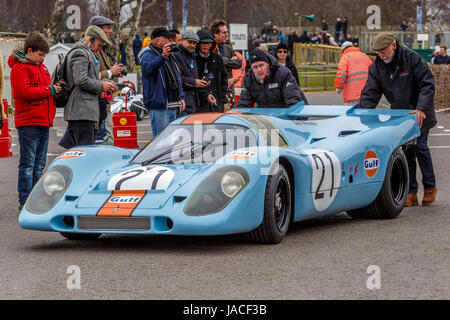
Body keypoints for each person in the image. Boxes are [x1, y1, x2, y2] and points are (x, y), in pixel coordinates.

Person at [358, 32, 437, 206]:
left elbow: (427, 83)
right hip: (400, 115)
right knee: (406, 152)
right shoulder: (377, 67)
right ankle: (411, 191)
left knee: (420, 148)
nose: (381, 55)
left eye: (384, 50)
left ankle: (430, 187)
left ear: (394, 45)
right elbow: (371, 92)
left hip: (420, 112)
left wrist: (421, 108)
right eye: (378, 52)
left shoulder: (411, 58)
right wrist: (361, 114)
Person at [8, 32, 61, 210]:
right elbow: (24, 92)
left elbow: (44, 91)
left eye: (44, 55)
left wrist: (56, 90)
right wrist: (50, 89)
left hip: (43, 121)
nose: (42, 58)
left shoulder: (42, 67)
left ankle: (36, 199)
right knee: (28, 164)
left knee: (39, 164)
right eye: (40, 54)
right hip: (28, 122)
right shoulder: (19, 68)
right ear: (29, 51)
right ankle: (25, 200)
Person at [62, 25, 115, 148]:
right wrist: (101, 85)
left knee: (83, 151)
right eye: (99, 45)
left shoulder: (84, 52)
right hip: (82, 111)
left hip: (84, 111)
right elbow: (81, 79)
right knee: (84, 152)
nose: (100, 49)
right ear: (91, 39)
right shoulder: (80, 53)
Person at [138, 27, 185, 137]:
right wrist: (162, 57)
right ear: (158, 41)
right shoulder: (148, 54)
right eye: (168, 38)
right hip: (159, 106)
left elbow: (177, 77)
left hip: (173, 105)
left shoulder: (170, 55)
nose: (171, 41)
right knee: (161, 140)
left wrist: (181, 97)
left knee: (172, 141)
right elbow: (148, 69)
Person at [88, 15, 124, 145]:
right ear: (97, 30)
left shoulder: (102, 50)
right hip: (96, 105)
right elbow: (90, 76)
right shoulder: (90, 49)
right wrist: (110, 72)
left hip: (104, 104)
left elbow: (102, 74)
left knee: (108, 140)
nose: (111, 31)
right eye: (108, 28)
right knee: (105, 141)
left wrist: (114, 73)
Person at [236, 49, 308, 108]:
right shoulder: (248, 78)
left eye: (261, 65)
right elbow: (244, 103)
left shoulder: (283, 73)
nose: (259, 70)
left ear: (268, 64)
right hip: (267, 114)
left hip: (294, 110)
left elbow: (293, 101)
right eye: (255, 67)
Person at [173, 31, 208, 116]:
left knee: (195, 129)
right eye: (190, 42)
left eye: (195, 43)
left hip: (193, 102)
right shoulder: (176, 55)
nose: (192, 45)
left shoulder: (193, 56)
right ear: (182, 41)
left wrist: (201, 82)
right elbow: (176, 77)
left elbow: (192, 76)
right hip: (183, 103)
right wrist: (194, 82)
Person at [210, 20, 242, 105]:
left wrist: (223, 60)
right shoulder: (208, 48)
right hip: (214, 92)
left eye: (227, 32)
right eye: (224, 33)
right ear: (215, 34)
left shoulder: (227, 48)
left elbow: (238, 63)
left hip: (229, 92)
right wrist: (229, 61)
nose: (227, 35)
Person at [195, 29, 228, 113]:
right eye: (203, 43)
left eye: (208, 43)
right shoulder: (193, 59)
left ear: (212, 44)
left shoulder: (217, 58)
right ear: (198, 44)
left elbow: (224, 79)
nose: (206, 46)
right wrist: (205, 94)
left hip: (217, 104)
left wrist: (223, 98)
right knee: (198, 126)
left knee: (216, 126)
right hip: (199, 106)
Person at [334, 41, 372, 106]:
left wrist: (339, 86)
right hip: (367, 93)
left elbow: (341, 74)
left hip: (351, 95)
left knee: (351, 115)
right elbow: (373, 71)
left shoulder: (345, 57)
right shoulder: (364, 55)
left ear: (343, 50)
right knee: (366, 114)